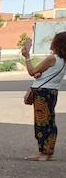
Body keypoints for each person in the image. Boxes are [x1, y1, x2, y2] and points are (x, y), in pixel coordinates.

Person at [21, 33, 66, 161]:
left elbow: (32, 71)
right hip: (52, 92)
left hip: (43, 93)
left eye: (53, 40)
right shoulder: (63, 60)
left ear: (57, 43)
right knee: (49, 121)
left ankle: (43, 153)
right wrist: (40, 74)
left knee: (41, 123)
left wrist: (27, 56)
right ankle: (48, 151)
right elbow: (46, 73)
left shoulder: (52, 58)